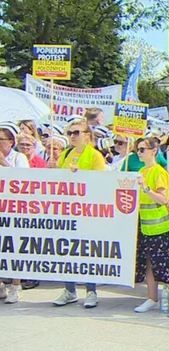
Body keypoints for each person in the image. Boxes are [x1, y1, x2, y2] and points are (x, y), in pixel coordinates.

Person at [50, 117, 106, 308]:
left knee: (87, 251)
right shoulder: (66, 154)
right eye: (70, 133)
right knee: (67, 249)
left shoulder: (95, 155)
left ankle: (91, 291)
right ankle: (69, 289)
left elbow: (100, 182)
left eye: (76, 132)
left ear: (87, 135)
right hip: (67, 210)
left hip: (87, 211)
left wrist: (80, 173)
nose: (72, 136)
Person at [132, 138, 169, 317]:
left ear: (153, 151)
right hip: (146, 226)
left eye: (142, 149)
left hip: (160, 226)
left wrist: (146, 188)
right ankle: (152, 297)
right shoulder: (141, 171)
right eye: (137, 150)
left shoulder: (158, 172)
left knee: (164, 265)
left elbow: (164, 199)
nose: (139, 153)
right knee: (148, 263)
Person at [0, 123, 30, 303]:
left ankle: (15, 285)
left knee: (13, 247)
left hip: (14, 209)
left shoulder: (19, 158)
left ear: (11, 142)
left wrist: (3, 162)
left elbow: (22, 180)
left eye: (1, 140)